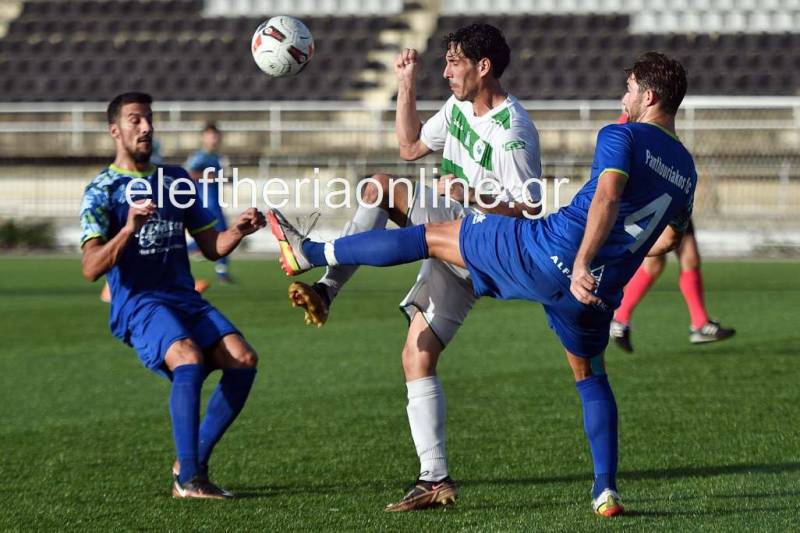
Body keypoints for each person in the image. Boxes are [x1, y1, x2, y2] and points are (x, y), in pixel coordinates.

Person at [269, 52, 695, 517]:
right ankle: (605, 491)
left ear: (648, 96)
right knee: (591, 378)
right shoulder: (687, 171)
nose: (624, 95)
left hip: (545, 250)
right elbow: (668, 237)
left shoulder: (620, 134)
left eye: (630, 87)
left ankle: (310, 253)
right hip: (594, 293)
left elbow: (607, 197)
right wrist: (602, 266)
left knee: (429, 238)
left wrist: (580, 261)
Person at [285, 24, 542, 512]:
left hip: (485, 248)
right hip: (455, 227)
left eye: (453, 62)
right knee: (416, 355)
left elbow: (528, 208)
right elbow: (409, 148)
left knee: (387, 197)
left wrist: (468, 193)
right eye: (443, 62)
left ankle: (318, 261)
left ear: (482, 67)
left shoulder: (514, 130)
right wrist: (406, 83)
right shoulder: (459, 107)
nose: (445, 72)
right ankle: (435, 479)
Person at [80, 92, 266, 499]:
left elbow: (212, 245)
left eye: (148, 119)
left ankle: (190, 461)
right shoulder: (102, 190)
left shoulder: (175, 179)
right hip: (139, 302)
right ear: (115, 131)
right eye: (135, 120)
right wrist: (127, 229)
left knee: (244, 360)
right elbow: (91, 267)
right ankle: (190, 480)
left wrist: (238, 230)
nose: (145, 127)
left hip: (182, 296)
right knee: (188, 356)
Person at [186, 123, 233, 283]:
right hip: (205, 202)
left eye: (216, 136)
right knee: (222, 233)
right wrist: (206, 176)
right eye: (210, 136)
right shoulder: (199, 157)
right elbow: (188, 174)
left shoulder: (217, 157)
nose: (214, 139)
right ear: (203, 138)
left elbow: (215, 178)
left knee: (221, 233)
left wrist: (226, 179)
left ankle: (222, 271)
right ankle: (221, 271)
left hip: (215, 201)